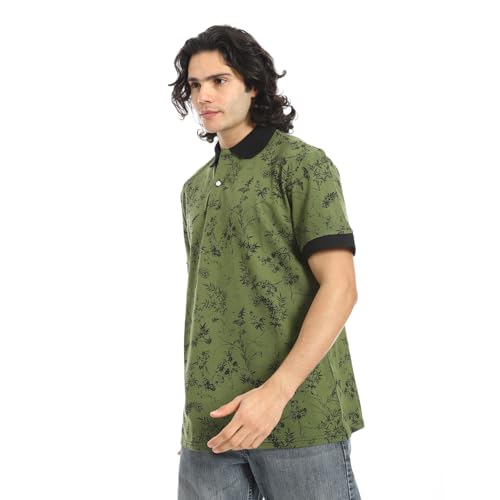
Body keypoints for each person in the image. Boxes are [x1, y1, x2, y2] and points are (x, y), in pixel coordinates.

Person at [169, 24, 364, 500]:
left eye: (219, 80)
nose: (203, 96)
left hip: (299, 418)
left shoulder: (301, 166)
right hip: (211, 428)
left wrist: (275, 394)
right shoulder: (194, 189)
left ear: (253, 85)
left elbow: (340, 288)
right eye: (194, 84)